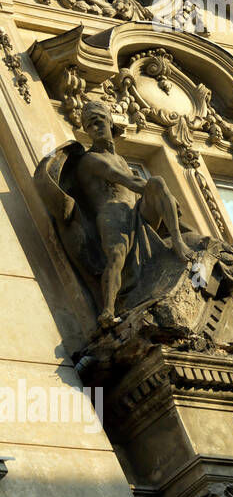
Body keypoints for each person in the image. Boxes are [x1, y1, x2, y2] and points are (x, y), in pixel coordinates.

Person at [73, 100, 190, 328]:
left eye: (99, 120)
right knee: (116, 256)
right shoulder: (90, 159)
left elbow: (140, 188)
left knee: (157, 181)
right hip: (111, 213)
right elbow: (125, 180)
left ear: (109, 121)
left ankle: (177, 241)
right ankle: (108, 309)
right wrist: (161, 197)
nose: (95, 126)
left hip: (134, 212)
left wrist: (163, 197)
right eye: (89, 124)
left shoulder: (121, 159)